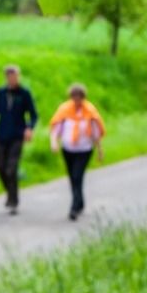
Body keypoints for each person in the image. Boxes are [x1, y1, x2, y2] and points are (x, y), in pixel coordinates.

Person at [48, 83, 105, 221]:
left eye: (79, 97)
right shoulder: (65, 110)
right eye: (74, 96)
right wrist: (54, 142)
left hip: (84, 149)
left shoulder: (89, 111)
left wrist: (99, 150)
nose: (77, 100)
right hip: (68, 149)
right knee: (72, 177)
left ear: (83, 97)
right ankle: (79, 202)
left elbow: (95, 133)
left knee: (77, 175)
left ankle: (74, 208)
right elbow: (56, 128)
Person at [0, 64, 37, 215]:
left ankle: (13, 201)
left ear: (18, 77)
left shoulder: (24, 94)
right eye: (9, 76)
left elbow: (33, 115)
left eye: (14, 76)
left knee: (11, 168)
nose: (12, 79)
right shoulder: (0, 93)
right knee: (0, 166)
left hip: (17, 136)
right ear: (6, 78)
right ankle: (10, 193)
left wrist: (29, 128)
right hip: (2, 135)